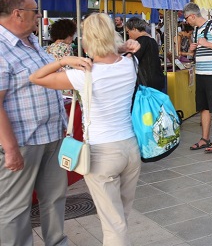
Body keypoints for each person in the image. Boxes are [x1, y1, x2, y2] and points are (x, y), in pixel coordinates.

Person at [30, 13, 140, 246]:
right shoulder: (131, 63)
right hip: (130, 147)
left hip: (101, 152)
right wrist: (123, 46)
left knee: (113, 223)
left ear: (86, 39)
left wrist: (62, 61)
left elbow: (36, 77)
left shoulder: (82, 74)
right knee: (120, 217)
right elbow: (118, 52)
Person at [0, 0, 68, 246]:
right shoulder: (2, 48)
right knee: (15, 208)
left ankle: (57, 242)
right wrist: (10, 149)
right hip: (23, 141)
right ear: (17, 13)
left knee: (55, 197)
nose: (39, 16)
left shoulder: (32, 42)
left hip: (51, 135)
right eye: (34, 11)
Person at [185, 3, 212, 153]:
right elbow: (198, 51)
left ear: (192, 16)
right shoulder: (197, 30)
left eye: (186, 18)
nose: (186, 22)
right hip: (201, 73)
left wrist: (207, 44)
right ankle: (205, 138)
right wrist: (192, 50)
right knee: (203, 107)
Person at [125, 17, 165, 91]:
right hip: (157, 81)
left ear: (134, 29)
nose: (128, 34)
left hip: (147, 84)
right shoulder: (152, 40)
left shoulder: (141, 41)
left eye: (128, 31)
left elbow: (131, 60)